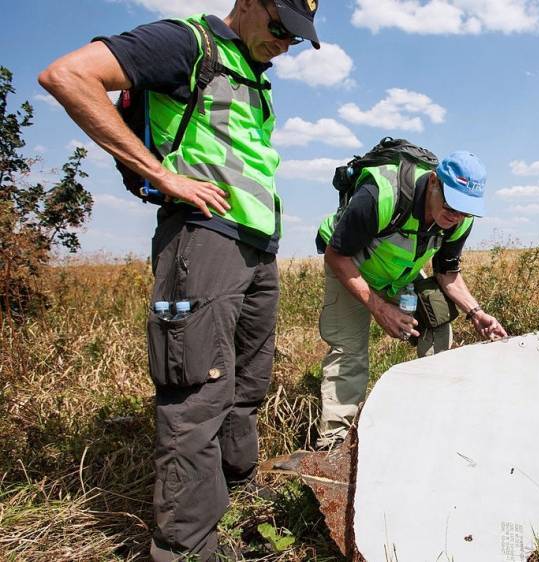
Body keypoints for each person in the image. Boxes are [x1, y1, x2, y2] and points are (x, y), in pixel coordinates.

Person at [39, 1, 321, 559]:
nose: (286, 43)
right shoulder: (187, 44)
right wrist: (162, 175)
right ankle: (186, 548)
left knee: (246, 385)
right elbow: (67, 75)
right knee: (197, 391)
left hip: (256, 246)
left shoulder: (252, 75)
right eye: (280, 26)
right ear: (249, 4)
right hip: (204, 237)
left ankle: (238, 497)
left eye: (297, 36)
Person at [313, 151, 508, 449]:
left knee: (439, 320)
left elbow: (447, 273)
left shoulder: (459, 221)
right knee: (350, 351)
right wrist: (379, 309)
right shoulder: (381, 195)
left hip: (397, 275)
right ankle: (333, 444)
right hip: (351, 265)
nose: (455, 215)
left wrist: (476, 312)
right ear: (433, 182)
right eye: (451, 203)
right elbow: (335, 255)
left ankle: (430, 416)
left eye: (465, 210)